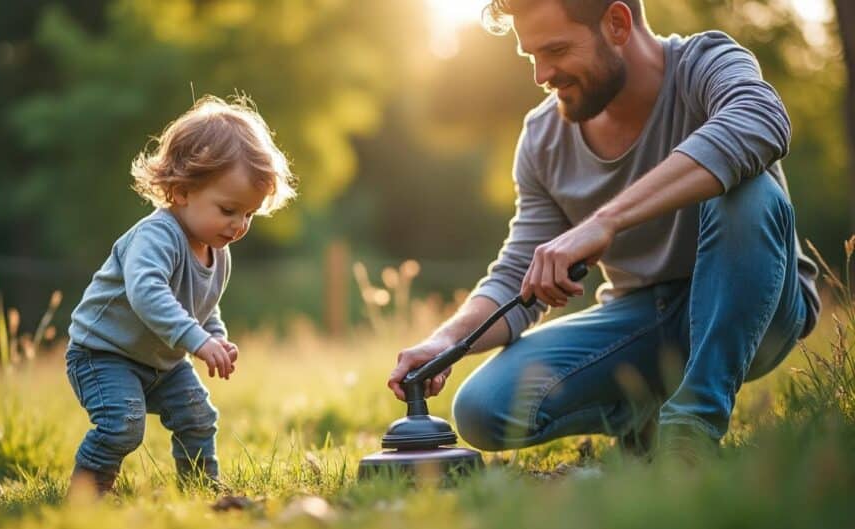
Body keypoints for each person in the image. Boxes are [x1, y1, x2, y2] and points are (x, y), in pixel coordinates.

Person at [388, 0, 820, 462]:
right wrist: (445, 342)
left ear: (617, 23)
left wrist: (605, 222)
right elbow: (519, 270)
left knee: (747, 193)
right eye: (531, 56)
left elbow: (762, 119)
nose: (541, 74)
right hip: (645, 318)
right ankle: (647, 416)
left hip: (763, 306)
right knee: (483, 407)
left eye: (555, 50)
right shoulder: (542, 137)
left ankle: (692, 426)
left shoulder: (706, 64)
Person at [66, 96, 296, 495]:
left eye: (249, 214)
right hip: (104, 353)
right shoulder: (157, 236)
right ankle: (87, 493)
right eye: (228, 209)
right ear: (181, 190)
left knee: (197, 416)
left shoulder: (217, 250)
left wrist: (216, 335)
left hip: (161, 360)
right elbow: (147, 293)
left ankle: (200, 488)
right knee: (123, 425)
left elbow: (202, 305)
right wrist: (197, 341)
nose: (239, 225)